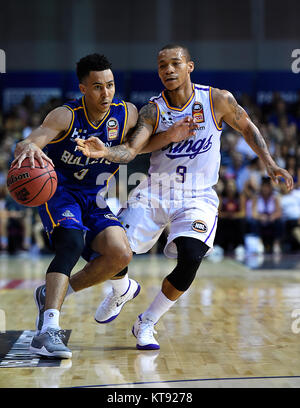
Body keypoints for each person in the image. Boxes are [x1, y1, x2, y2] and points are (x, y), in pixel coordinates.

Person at [76, 44, 294, 350]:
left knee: (191, 257)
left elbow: (246, 126)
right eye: (162, 65)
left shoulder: (216, 99)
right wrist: (107, 151)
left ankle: (147, 322)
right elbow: (133, 149)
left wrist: (270, 163)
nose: (168, 70)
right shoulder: (153, 109)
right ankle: (122, 289)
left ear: (189, 66)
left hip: (197, 195)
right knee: (106, 251)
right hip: (155, 190)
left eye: (175, 63)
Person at [12, 53, 195, 359]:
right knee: (70, 243)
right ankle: (46, 332)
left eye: (110, 85)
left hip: (95, 196)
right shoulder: (65, 116)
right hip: (61, 192)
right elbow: (31, 141)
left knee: (121, 253)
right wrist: (29, 146)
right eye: (98, 87)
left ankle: (52, 294)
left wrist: (168, 137)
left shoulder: (128, 113)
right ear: (83, 88)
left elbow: (134, 148)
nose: (106, 93)